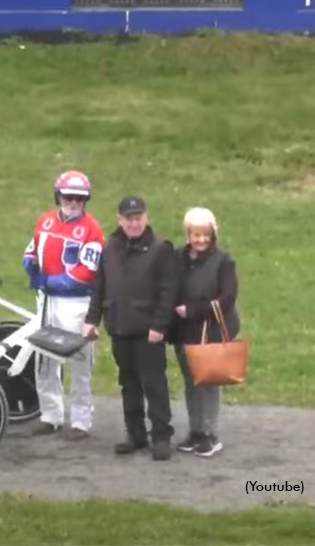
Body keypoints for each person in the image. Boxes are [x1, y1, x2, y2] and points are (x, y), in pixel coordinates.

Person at [82, 196, 178, 461]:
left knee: (154, 384)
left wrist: (160, 325)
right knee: (128, 383)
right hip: (119, 325)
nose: (134, 223)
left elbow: (167, 291)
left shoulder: (160, 249)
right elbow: (99, 286)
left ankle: (161, 436)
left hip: (149, 330)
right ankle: (135, 434)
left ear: (145, 218)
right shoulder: (109, 247)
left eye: (138, 217)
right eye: (129, 218)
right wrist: (93, 319)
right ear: (120, 220)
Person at [22, 170, 105, 440]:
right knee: (44, 359)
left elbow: (88, 271)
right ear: (58, 196)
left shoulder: (92, 229)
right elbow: (31, 250)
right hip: (46, 301)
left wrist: (53, 281)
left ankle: (81, 421)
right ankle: (50, 415)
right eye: (68, 197)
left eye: (79, 199)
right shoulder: (44, 222)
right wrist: (30, 264)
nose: (73, 203)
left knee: (80, 362)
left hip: (77, 303)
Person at [167, 207, 239, 458]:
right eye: (196, 234)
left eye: (205, 234)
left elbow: (228, 299)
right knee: (190, 382)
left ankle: (210, 433)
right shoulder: (177, 257)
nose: (201, 240)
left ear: (213, 234)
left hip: (211, 331)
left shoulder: (224, 260)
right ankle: (196, 431)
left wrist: (193, 310)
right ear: (188, 234)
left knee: (208, 382)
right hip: (184, 332)